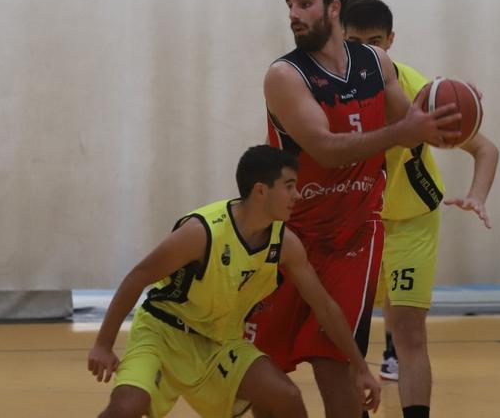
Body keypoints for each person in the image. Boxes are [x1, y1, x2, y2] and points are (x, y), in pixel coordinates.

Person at [246, 0, 460, 418]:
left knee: (335, 362)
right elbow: (325, 150)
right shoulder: (285, 75)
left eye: (304, 3)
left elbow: (410, 125)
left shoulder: (376, 64)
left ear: (334, 7)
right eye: (289, 5)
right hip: (293, 235)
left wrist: (446, 114)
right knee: (261, 371)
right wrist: (406, 129)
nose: (294, 15)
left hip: (354, 236)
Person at [87, 145, 381, 418]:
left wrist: (359, 366)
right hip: (163, 333)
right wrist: (103, 344)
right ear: (261, 191)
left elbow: (325, 307)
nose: (298, 195)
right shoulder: (201, 232)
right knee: (127, 406)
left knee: (286, 396)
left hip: (220, 340)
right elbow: (137, 277)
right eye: (289, 186)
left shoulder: (285, 244)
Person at [344, 0, 499, 418]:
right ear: (340, 38)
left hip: (412, 219)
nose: (367, 52)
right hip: (356, 224)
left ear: (391, 40)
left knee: (410, 333)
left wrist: (477, 195)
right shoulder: (328, 88)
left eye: (376, 42)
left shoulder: (417, 89)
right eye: (355, 42)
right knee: (347, 337)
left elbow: (485, 148)